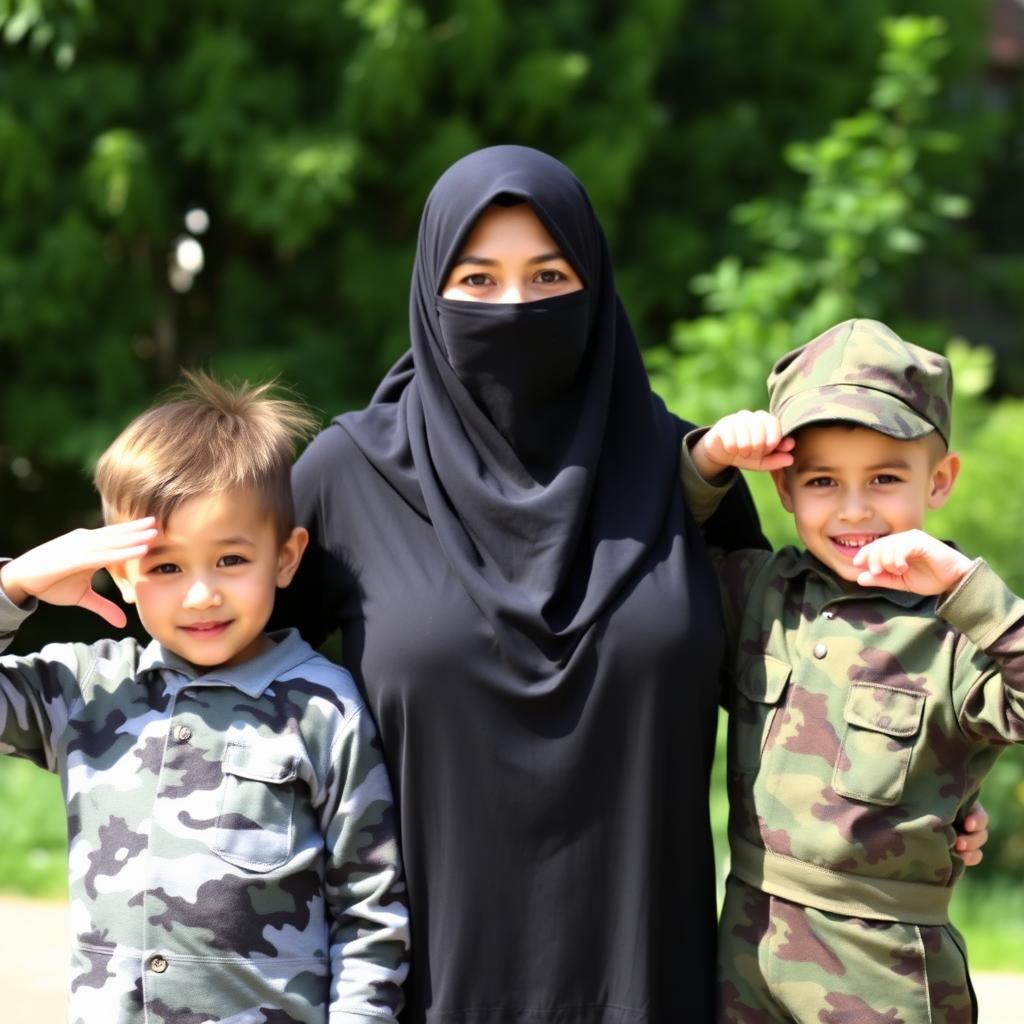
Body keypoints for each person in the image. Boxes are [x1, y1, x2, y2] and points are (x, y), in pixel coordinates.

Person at [273, 146, 987, 1024]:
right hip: (420, 984)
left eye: (547, 276)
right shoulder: (350, 479)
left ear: (595, 286)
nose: (514, 308)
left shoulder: (679, 477)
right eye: (477, 280)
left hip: (651, 981)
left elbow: (819, 672)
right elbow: (239, 678)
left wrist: (929, 790)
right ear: (429, 289)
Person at [0, 374, 409, 1024]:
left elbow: (369, 911)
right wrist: (15, 584)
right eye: (165, 567)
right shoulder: (84, 690)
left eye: (230, 561)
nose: (200, 595)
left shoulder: (322, 710)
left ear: (285, 556)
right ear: (122, 577)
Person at [680, 319, 1019, 1023]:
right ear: (784, 490)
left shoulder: (957, 631)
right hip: (744, 954)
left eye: (886, 478)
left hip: (883, 974)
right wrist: (708, 462)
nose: (855, 508)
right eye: (823, 480)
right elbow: (651, 570)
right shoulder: (767, 593)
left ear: (941, 480)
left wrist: (970, 587)